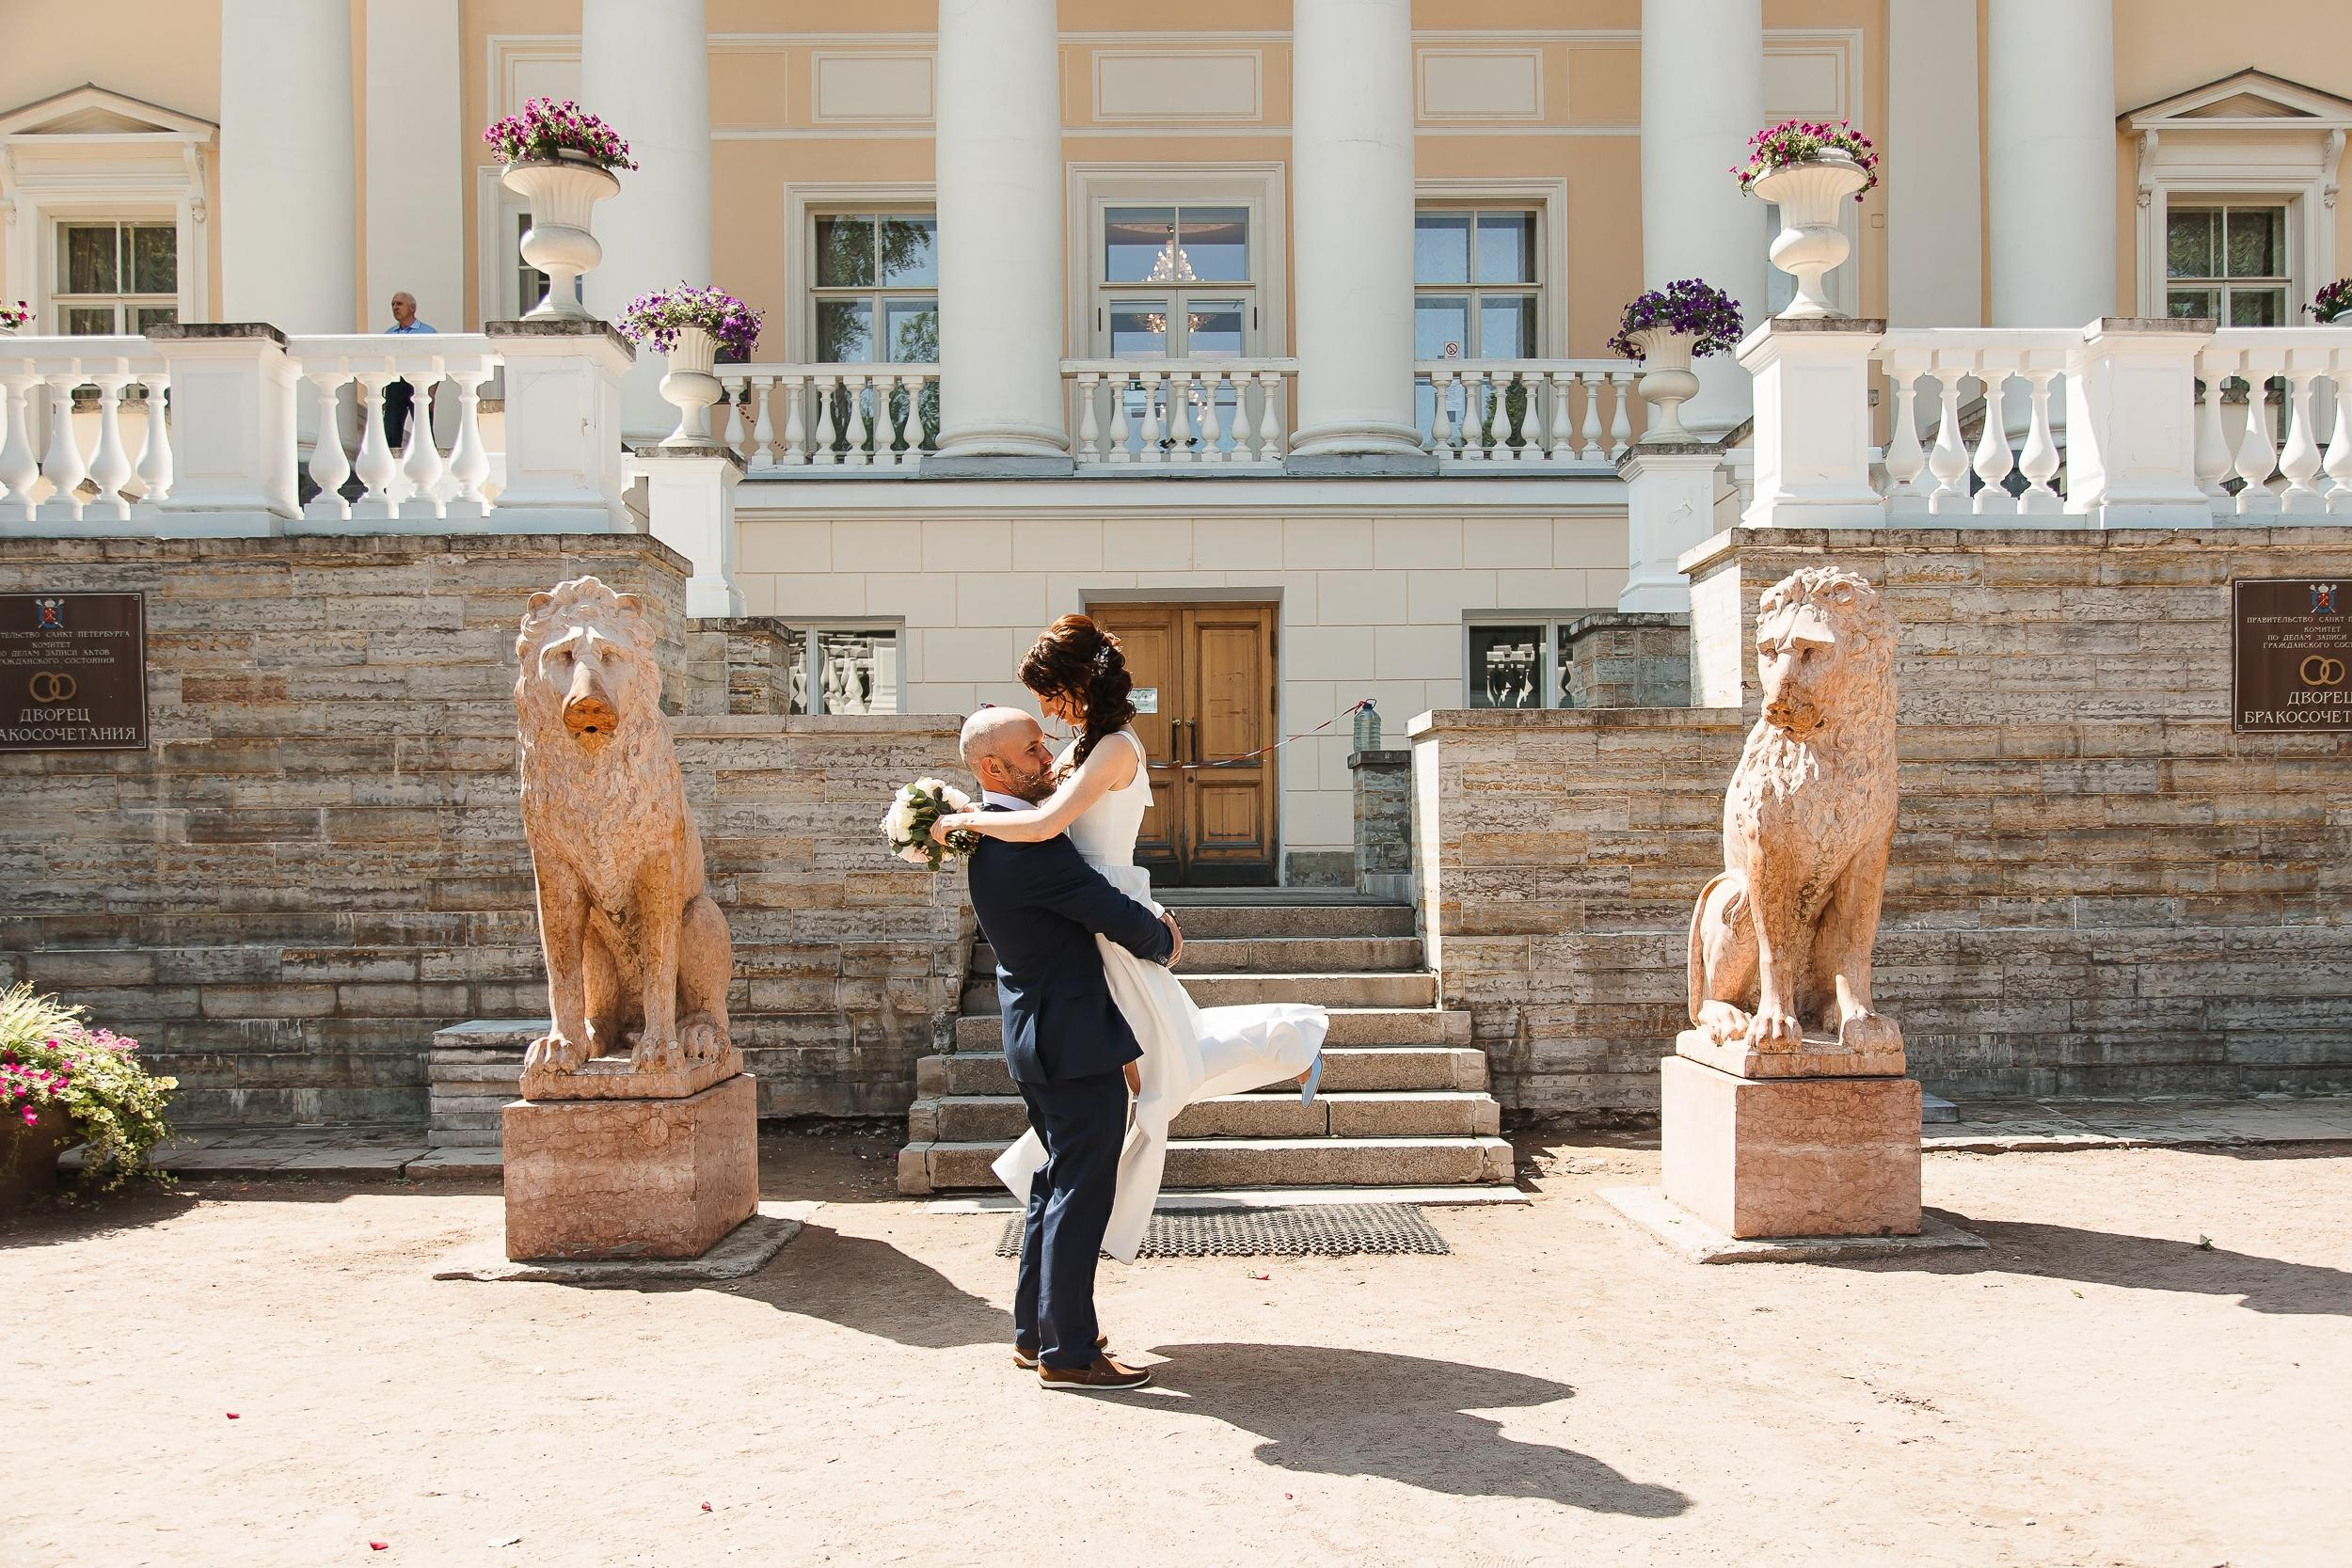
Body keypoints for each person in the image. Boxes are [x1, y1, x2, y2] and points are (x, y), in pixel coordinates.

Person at [937, 615, 1328, 1264]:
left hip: (1104, 908)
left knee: (1165, 1068)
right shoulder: (1077, 746)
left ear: (1075, 684)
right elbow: (1031, 806)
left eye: (1048, 693)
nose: (1045, 710)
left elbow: (1041, 824)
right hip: (1080, 906)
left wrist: (956, 819)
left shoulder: (1115, 746)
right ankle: (1055, 1181)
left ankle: (1296, 1036)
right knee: (1157, 1066)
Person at [957, 704, 1181, 1393]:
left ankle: (1037, 1332)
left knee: (1055, 1183)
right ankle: (1070, 1352)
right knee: (1082, 1189)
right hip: (1072, 1039)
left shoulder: (1000, 837)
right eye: (1031, 748)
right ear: (993, 768)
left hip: (1039, 1035)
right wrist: (1165, 938)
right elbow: (1103, 908)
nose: (1048, 754)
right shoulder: (1025, 843)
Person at [382, 291, 437, 450]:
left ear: (412, 308)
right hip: (395, 384)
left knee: (424, 431)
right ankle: (392, 468)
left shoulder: (428, 333)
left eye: (399, 304)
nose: (395, 307)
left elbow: (436, 364)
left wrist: (432, 392)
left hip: (419, 383)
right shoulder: (388, 335)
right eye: (393, 304)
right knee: (391, 431)